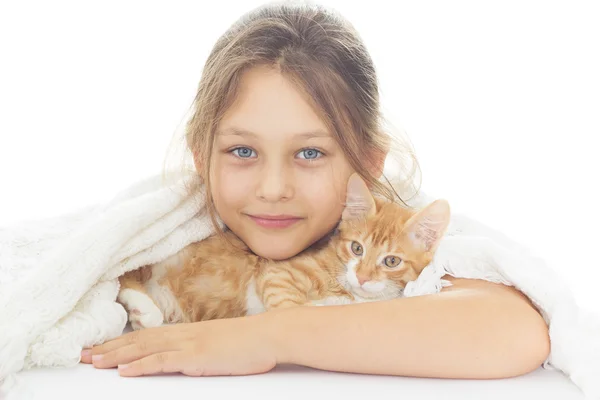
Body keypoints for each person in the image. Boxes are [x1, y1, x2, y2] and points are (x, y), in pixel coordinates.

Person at [80, 1, 550, 378]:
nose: (273, 188)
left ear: (367, 167)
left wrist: (270, 336)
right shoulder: (156, 225)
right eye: (242, 152)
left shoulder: (396, 222)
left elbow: (515, 334)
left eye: (310, 153)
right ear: (201, 158)